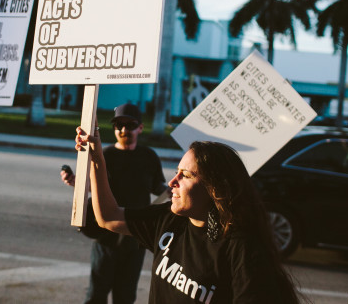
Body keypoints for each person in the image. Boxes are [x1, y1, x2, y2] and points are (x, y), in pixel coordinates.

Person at [74, 125, 301, 303]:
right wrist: (97, 160)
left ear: (215, 188)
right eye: (176, 172)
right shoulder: (169, 220)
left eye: (186, 175)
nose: (172, 182)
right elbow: (109, 216)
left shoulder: (241, 248)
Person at [61, 103, 167, 304]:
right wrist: (76, 182)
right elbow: (94, 186)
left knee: (125, 296)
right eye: (119, 125)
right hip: (106, 235)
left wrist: (172, 189)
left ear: (140, 128)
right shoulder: (105, 155)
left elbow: (156, 186)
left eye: (130, 125)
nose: (124, 130)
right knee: (96, 294)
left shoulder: (149, 156)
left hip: (135, 237)